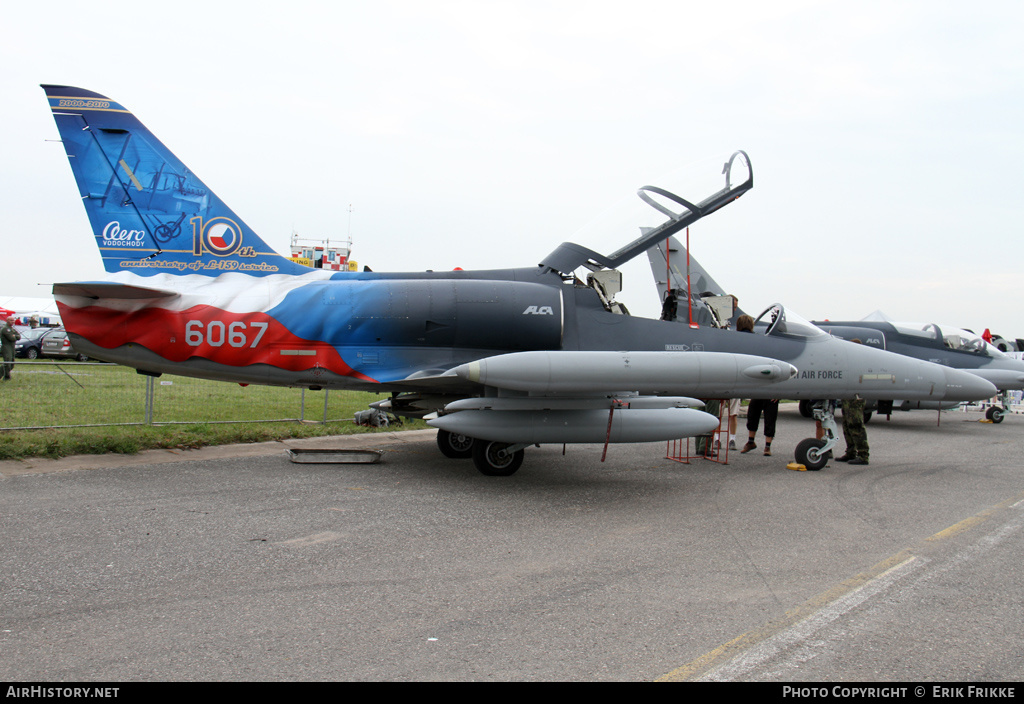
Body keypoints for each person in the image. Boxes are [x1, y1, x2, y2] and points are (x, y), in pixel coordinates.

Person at [836, 339, 870, 465]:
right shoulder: (850, 361)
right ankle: (851, 452)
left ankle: (863, 454)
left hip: (856, 397)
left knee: (856, 425)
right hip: (848, 397)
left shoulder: (862, 363)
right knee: (846, 425)